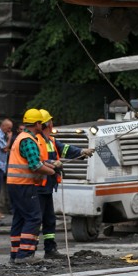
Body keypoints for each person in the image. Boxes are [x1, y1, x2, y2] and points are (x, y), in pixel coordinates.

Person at [35, 109, 95, 259]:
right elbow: (35, 162)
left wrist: (82, 151)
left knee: (49, 219)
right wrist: (51, 163)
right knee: (36, 220)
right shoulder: (35, 140)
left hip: (47, 186)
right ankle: (29, 250)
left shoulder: (51, 140)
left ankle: (50, 249)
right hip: (37, 187)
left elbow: (65, 149)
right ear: (47, 124)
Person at [6, 108, 56, 265]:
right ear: (37, 124)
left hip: (15, 185)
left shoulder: (22, 137)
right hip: (24, 185)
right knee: (34, 217)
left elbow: (37, 161)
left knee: (20, 219)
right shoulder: (29, 140)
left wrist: (51, 164)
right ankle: (25, 255)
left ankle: (15, 254)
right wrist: (52, 171)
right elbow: (35, 166)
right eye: (41, 122)